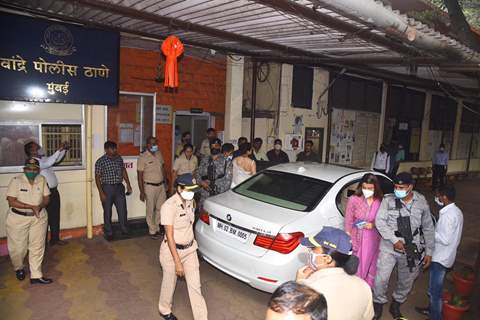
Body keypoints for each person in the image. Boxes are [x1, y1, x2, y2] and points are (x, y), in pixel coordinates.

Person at [373, 172, 435, 320]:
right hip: (389, 246)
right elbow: (380, 222)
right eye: (395, 186)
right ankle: (378, 304)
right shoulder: (388, 200)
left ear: (410, 187)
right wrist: (394, 240)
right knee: (381, 279)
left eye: (401, 187)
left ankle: (397, 303)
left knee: (406, 280)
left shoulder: (421, 202)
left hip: (411, 248)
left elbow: (428, 227)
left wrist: (429, 251)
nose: (397, 189)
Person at [158, 173, 208, 320]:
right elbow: (169, 235)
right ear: (179, 188)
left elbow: (189, 225)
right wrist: (177, 262)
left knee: (195, 287)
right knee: (169, 283)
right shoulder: (168, 206)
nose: (191, 193)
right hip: (171, 252)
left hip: (190, 249)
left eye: (193, 190)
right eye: (189, 190)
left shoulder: (191, 202)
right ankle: (164, 310)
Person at [296, 227, 374, 320]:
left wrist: (299, 285)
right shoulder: (363, 286)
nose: (310, 252)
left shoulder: (309, 289)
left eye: (313, 249)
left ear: (327, 259)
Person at [415, 185, 463, 320]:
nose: (437, 198)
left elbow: (445, 239)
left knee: (434, 292)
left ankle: (436, 317)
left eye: (438, 196)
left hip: (441, 258)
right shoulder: (457, 211)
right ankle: (430, 310)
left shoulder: (448, 216)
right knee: (434, 288)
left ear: (444, 197)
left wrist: (431, 232)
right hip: (446, 256)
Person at [5, 158, 52, 284]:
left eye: (35, 169)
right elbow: (11, 200)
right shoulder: (16, 181)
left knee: (37, 246)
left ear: (38, 170)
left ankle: (36, 275)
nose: (32, 171)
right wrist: (31, 206)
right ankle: (19, 267)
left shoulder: (41, 179)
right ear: (24, 169)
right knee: (18, 248)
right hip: (18, 218)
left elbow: (47, 198)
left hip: (38, 217)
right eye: (29, 169)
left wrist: (40, 206)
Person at [25, 141, 69, 246]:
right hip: (44, 194)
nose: (40, 148)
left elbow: (55, 159)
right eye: (37, 147)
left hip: (53, 191)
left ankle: (55, 239)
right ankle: (42, 243)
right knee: (44, 218)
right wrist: (59, 149)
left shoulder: (42, 159)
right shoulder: (32, 162)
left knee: (55, 216)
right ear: (31, 151)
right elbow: (49, 163)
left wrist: (64, 150)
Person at [344, 174, 383, 287]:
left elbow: (384, 220)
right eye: (364, 187)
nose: (367, 190)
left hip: (373, 239)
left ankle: (367, 289)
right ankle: (357, 290)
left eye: (370, 188)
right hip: (357, 238)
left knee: (371, 265)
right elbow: (348, 221)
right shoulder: (354, 200)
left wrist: (373, 225)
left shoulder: (379, 201)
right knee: (358, 266)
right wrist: (349, 239)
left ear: (375, 188)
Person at [95, 141, 132, 241]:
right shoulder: (100, 161)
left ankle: (124, 229)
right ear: (106, 150)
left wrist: (128, 184)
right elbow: (97, 178)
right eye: (112, 148)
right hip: (107, 188)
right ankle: (109, 232)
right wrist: (101, 193)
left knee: (122, 210)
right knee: (107, 211)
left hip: (119, 187)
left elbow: (123, 171)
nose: (115, 150)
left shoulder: (119, 158)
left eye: (115, 148)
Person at [137, 136, 167, 240]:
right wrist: (141, 191)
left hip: (161, 186)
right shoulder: (143, 157)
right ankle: (152, 230)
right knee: (150, 209)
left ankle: (157, 227)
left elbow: (163, 168)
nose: (153, 145)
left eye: (155, 143)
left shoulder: (159, 153)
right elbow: (139, 175)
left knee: (160, 208)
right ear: (147, 144)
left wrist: (166, 183)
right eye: (151, 143)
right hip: (149, 187)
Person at [195, 138, 232, 210]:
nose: (214, 147)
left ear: (220, 147)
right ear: (210, 147)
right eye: (212, 146)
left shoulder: (226, 161)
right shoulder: (204, 159)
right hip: (204, 195)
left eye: (217, 146)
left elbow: (228, 181)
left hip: (219, 196)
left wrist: (217, 190)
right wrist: (201, 182)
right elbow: (197, 174)